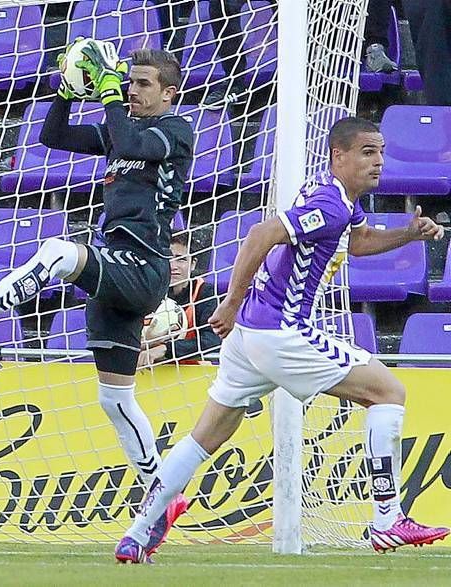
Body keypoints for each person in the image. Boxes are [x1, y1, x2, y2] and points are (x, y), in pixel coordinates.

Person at [115, 116, 450, 563]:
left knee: (206, 434)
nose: (378, 161)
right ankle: (387, 520)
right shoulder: (331, 204)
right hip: (279, 329)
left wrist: (408, 233)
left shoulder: (337, 200)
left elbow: (358, 240)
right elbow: (261, 234)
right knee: (389, 391)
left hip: (254, 333)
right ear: (339, 154)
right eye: (368, 152)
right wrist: (230, 302)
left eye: (382, 152)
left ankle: (137, 534)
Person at [0, 45, 193, 554]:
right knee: (114, 398)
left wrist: (110, 91)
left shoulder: (174, 131)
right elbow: (53, 136)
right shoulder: (126, 130)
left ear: (168, 92)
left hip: (142, 266)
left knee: (58, 250)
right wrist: (65, 93)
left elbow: (131, 140)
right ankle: (162, 496)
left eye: (143, 84)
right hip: (115, 270)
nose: (133, 91)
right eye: (130, 83)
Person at [137, 233, 220, 368]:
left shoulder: (205, 293)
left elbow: (212, 339)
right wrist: (147, 343)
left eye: (180, 259)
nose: (173, 266)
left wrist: (166, 348)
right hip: (146, 369)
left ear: (193, 264)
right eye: (167, 258)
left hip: (192, 372)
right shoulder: (145, 291)